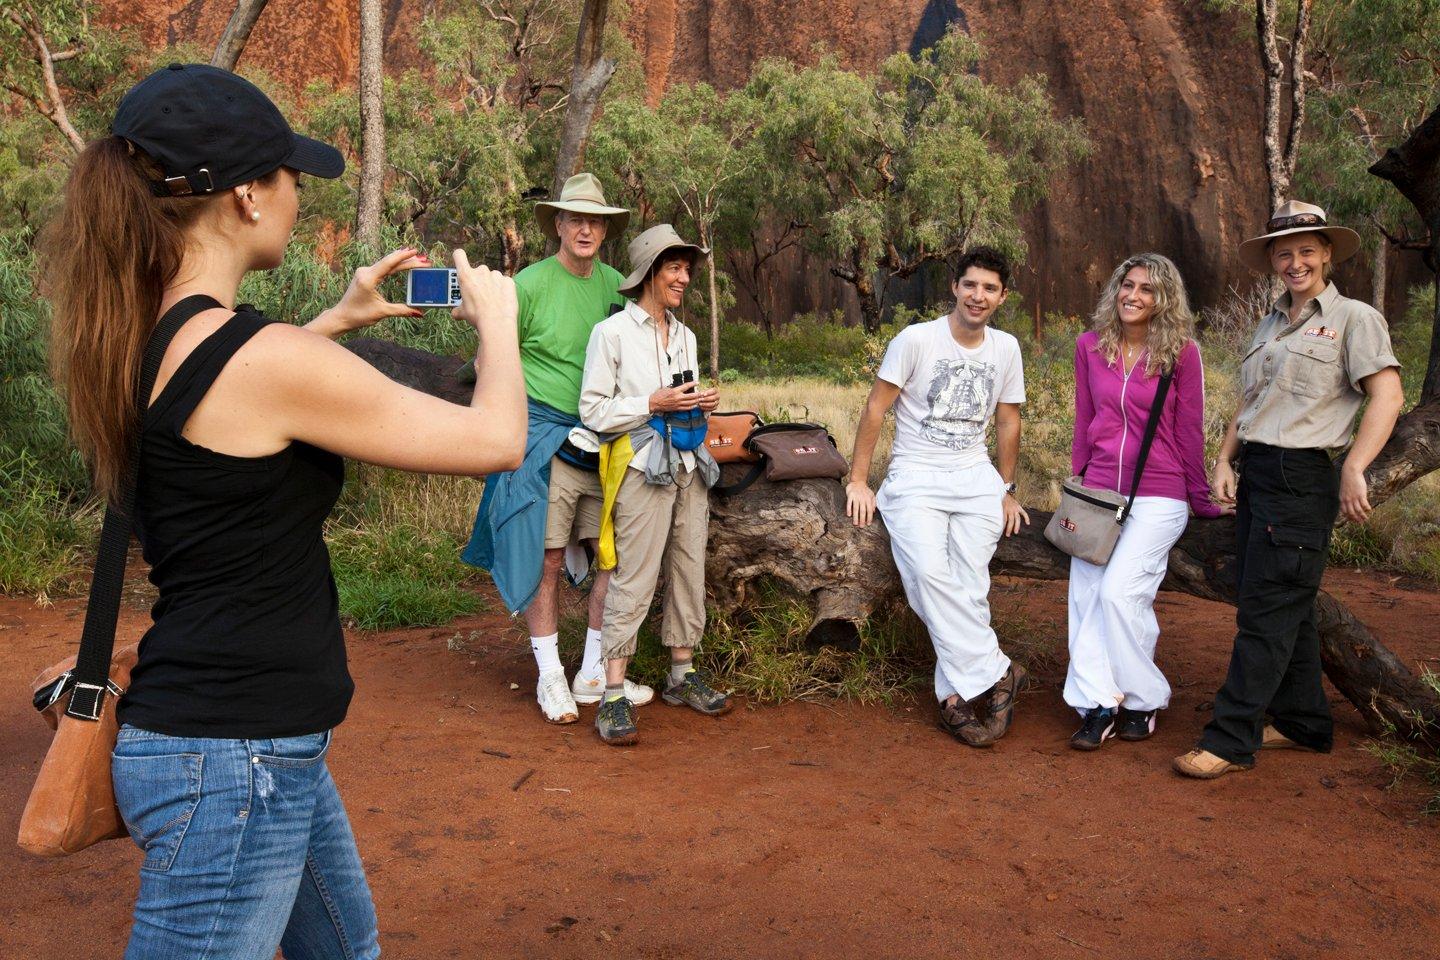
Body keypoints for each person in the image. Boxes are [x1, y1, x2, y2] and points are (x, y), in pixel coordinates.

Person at [41, 64, 526, 958]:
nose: (299, 192)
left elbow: (231, 409)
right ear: (247, 198)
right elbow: (495, 441)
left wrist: (337, 319)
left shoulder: (137, 334)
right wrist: (501, 322)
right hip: (236, 758)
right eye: (290, 174)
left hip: (248, 742)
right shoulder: (257, 357)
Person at [1174, 201, 1404, 779]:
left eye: (1307, 250)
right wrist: (1225, 459)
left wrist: (1354, 467)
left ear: (1327, 253)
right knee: (1279, 604)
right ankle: (1303, 723)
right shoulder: (1271, 322)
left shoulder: (1355, 318)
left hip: (1302, 478)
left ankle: (1230, 738)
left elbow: (1388, 395)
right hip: (1257, 473)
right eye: (1284, 252)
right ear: (1273, 260)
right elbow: (1251, 403)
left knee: (1267, 612)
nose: (1295, 261)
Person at [461, 173, 654, 724]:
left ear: (604, 229)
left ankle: (594, 670)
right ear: (560, 226)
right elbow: (489, 361)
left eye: (596, 220)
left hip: (604, 436)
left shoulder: (618, 286)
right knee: (544, 553)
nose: (586, 228)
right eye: (576, 219)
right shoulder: (528, 285)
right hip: (541, 431)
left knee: (608, 556)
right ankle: (549, 675)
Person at [846, 246, 1030, 748]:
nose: (978, 295)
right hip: (915, 477)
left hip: (975, 478)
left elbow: (1008, 420)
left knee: (968, 587)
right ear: (955, 286)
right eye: (970, 284)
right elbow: (876, 409)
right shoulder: (916, 340)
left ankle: (954, 700)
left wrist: (1006, 489)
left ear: (1002, 296)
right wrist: (859, 480)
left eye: (990, 288)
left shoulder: (1005, 349)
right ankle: (998, 673)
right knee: (928, 575)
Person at [1064, 254, 1227, 750]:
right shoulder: (1090, 346)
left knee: (1118, 594)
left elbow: (1189, 430)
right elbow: (1083, 420)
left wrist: (1201, 500)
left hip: (1159, 494)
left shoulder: (1183, 353)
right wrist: (1078, 485)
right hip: (1099, 494)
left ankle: (1145, 695)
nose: (1134, 296)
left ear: (1164, 300)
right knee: (1086, 598)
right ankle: (1097, 704)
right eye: (1127, 286)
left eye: (1147, 290)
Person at [579, 224, 729, 745]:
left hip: (689, 465)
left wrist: (696, 403)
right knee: (635, 575)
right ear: (648, 272)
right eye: (675, 267)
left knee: (689, 566)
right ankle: (613, 693)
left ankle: (681, 674)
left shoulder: (684, 335)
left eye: (687, 269)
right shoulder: (612, 334)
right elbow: (593, 410)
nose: (684, 277)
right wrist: (653, 404)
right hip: (643, 468)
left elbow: (678, 397)